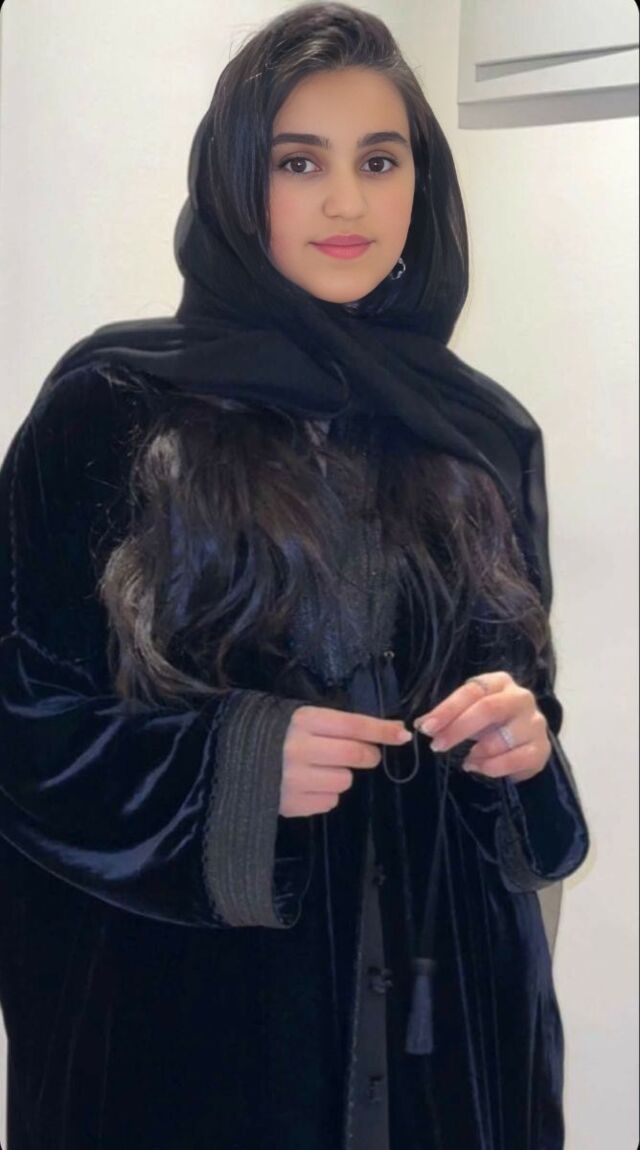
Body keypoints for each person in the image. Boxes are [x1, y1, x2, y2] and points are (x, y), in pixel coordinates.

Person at [0, 3, 591, 1148]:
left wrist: (522, 744)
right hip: (194, 1030)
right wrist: (233, 765)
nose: (346, 203)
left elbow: (524, 695)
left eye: (380, 160)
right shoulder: (113, 407)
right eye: (298, 162)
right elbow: (23, 717)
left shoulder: (479, 433)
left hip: (444, 1021)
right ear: (236, 180)